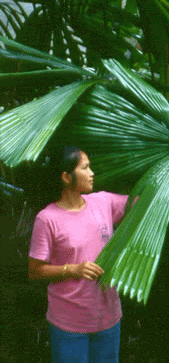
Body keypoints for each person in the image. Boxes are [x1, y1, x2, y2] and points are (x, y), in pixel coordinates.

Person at [28, 146, 129, 363]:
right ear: (66, 177)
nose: (92, 172)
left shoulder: (102, 202)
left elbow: (144, 202)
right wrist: (72, 269)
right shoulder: (47, 219)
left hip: (108, 319)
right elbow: (35, 270)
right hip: (69, 325)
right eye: (85, 167)